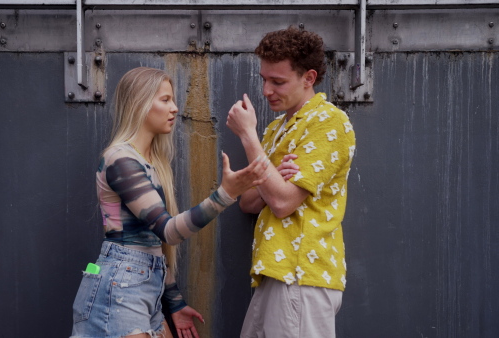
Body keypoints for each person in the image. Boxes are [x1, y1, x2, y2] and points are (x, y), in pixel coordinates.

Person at [70, 67, 270, 338]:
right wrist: (225, 194)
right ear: (140, 104)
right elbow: (168, 231)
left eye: (173, 100)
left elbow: (156, 245)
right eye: (165, 100)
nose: (175, 108)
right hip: (120, 286)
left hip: (142, 285)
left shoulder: (152, 164)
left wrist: (173, 301)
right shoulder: (121, 161)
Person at [226, 27, 356, 337]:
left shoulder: (329, 122)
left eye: (278, 81)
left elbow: (282, 202)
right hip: (275, 272)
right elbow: (247, 202)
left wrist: (247, 136)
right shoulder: (275, 130)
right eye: (264, 79)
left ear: (308, 78)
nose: (267, 90)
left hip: (302, 277)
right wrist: (271, 177)